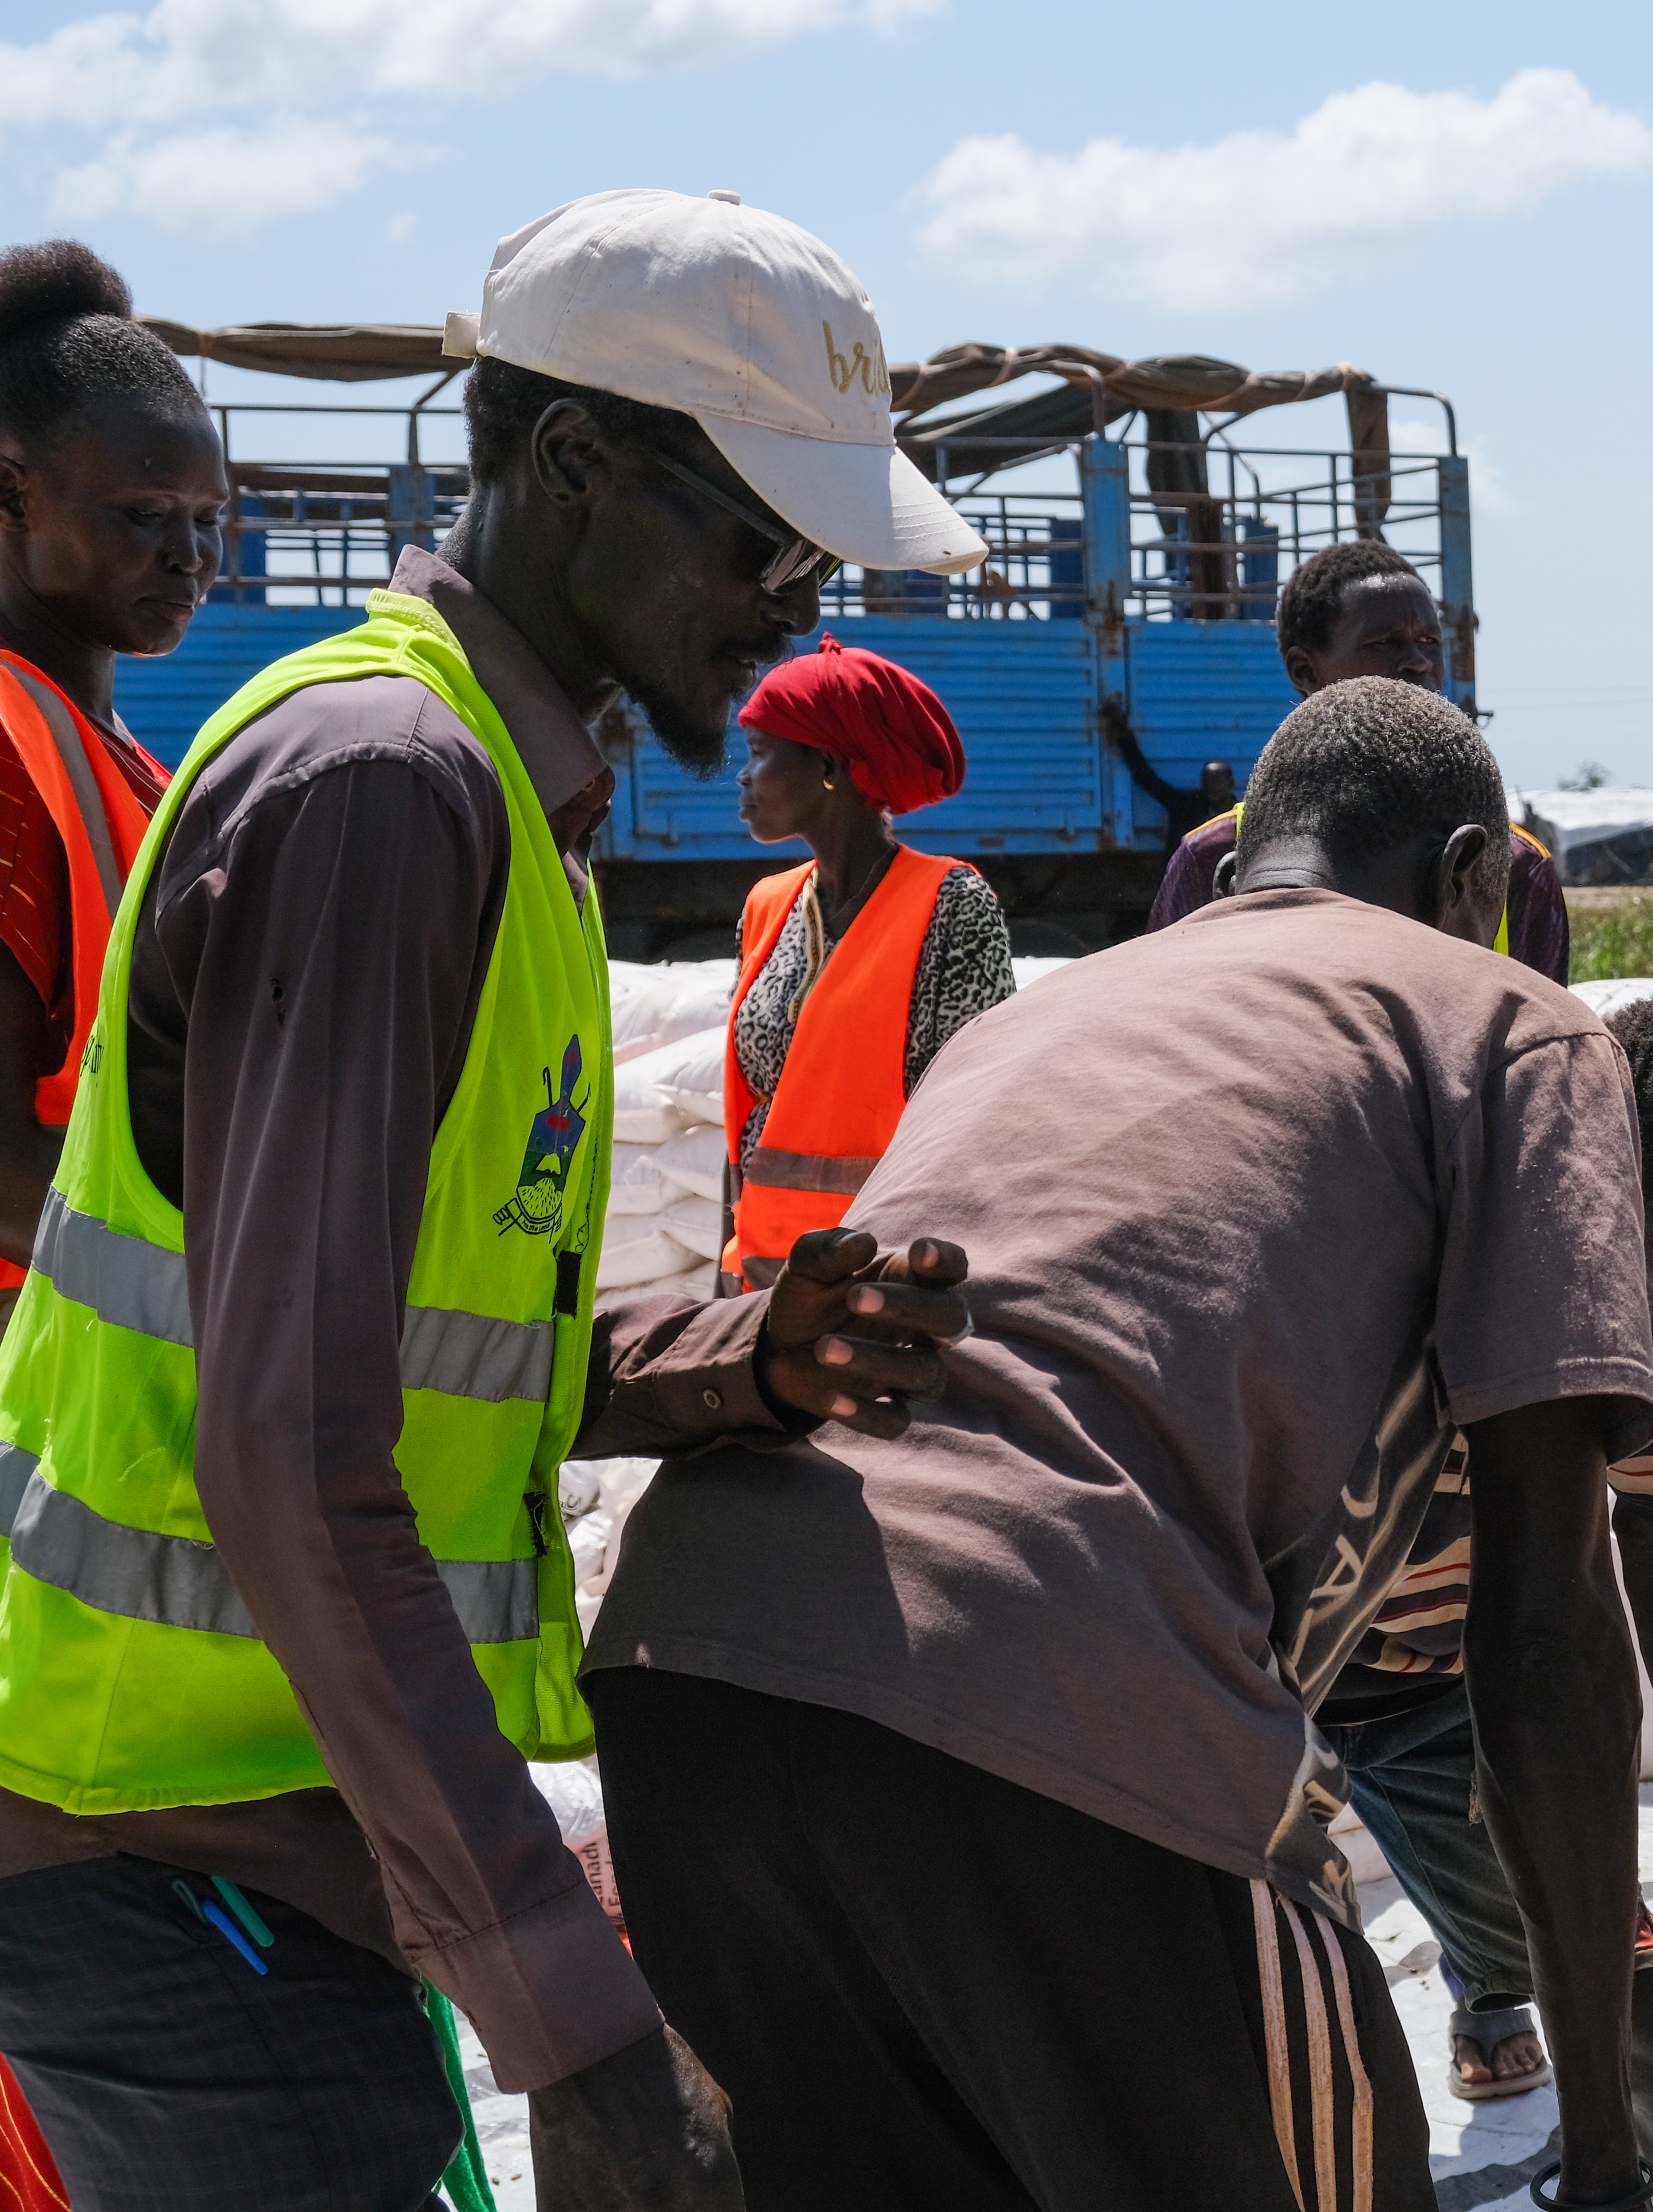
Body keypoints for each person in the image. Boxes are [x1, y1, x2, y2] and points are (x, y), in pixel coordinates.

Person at [0, 189, 983, 2212]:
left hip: (260, 1821)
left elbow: (405, 1350)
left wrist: (737, 1361)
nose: (792, 603)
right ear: (571, 463)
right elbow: (289, 1453)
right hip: (162, 1828)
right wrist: (575, 2013)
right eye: (759, 539)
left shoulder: (512, 809)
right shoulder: (387, 789)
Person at [585, 679, 1653, 2212]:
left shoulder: (1054, 1010)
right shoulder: (1509, 1022)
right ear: (1478, 879)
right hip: (1053, 1705)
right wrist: (1611, 2157)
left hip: (688, 1677)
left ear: (1233, 876)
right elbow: (1548, 1621)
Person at [1320, 981, 1653, 2189]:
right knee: (1288, 2069)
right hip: (1250, 1670)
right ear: (1611, 1171)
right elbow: (1556, 1649)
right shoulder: (1440, 1242)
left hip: (1438, 1683)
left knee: (1634, 2010)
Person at [0, 242, 218, 1309]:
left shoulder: (113, 753)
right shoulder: (8, 744)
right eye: (145, 514)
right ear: (14, 495)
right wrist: (240, 1294)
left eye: (207, 517)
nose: (191, 554)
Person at [722, 633, 1015, 1292]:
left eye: (761, 754)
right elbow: (749, 1122)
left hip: (891, 1285)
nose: (743, 776)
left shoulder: (951, 905)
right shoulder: (767, 907)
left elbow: (977, 1119)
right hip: (765, 1287)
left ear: (827, 764)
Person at [1146, 539, 1569, 975]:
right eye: (1386, 642)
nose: (1419, 662)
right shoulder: (1212, 855)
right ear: (1304, 671)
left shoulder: (1512, 862)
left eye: (1430, 641)